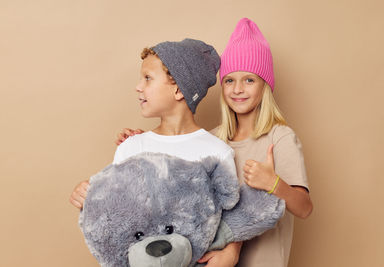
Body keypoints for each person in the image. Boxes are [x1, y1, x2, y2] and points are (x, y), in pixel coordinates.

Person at [115, 18, 313, 267]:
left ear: (265, 85)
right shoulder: (215, 139)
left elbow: (305, 208)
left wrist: (273, 183)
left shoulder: (279, 137)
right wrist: (143, 140)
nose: (238, 89)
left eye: (249, 80)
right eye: (230, 80)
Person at [70, 38, 243, 266]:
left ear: (179, 90)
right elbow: (117, 214)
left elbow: (232, 212)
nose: (138, 86)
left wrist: (232, 252)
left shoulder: (217, 152)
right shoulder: (132, 147)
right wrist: (87, 195)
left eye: (148, 78)